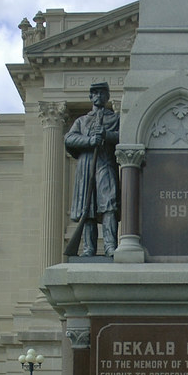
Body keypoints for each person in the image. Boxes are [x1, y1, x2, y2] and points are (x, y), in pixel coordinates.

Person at [65, 82, 120, 257]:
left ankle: (111, 246)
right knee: (87, 208)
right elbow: (69, 139)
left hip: (105, 163)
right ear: (90, 97)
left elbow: (124, 137)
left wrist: (106, 135)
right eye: (95, 93)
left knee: (109, 204)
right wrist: (89, 141)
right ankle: (89, 248)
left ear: (107, 97)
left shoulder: (114, 119)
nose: (98, 96)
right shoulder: (81, 121)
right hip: (86, 165)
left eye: (102, 93)